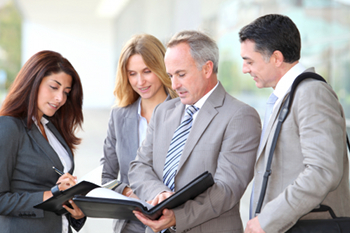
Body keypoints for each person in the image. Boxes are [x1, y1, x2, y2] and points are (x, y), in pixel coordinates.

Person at [128, 30, 261, 233]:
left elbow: (226, 190)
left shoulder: (240, 117)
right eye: (170, 75)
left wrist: (176, 217)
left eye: (181, 74)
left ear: (207, 69)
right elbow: (139, 166)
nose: (174, 85)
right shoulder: (164, 112)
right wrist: (160, 193)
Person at [239, 14, 350, 233]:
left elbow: (322, 171)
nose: (244, 69)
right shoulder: (288, 96)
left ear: (277, 58)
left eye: (249, 61)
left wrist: (268, 220)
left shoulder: (312, 93)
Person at [0, 50, 86, 233]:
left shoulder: (51, 127)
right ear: (33, 82)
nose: (60, 98)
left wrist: (77, 213)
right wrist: (53, 194)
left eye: (66, 92)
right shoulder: (9, 127)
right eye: (54, 87)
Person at [100, 34, 177, 233]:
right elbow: (105, 175)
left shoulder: (186, 112)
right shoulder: (119, 116)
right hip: (130, 224)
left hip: (175, 223)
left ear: (162, 68)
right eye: (132, 73)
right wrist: (127, 191)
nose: (140, 81)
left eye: (147, 71)